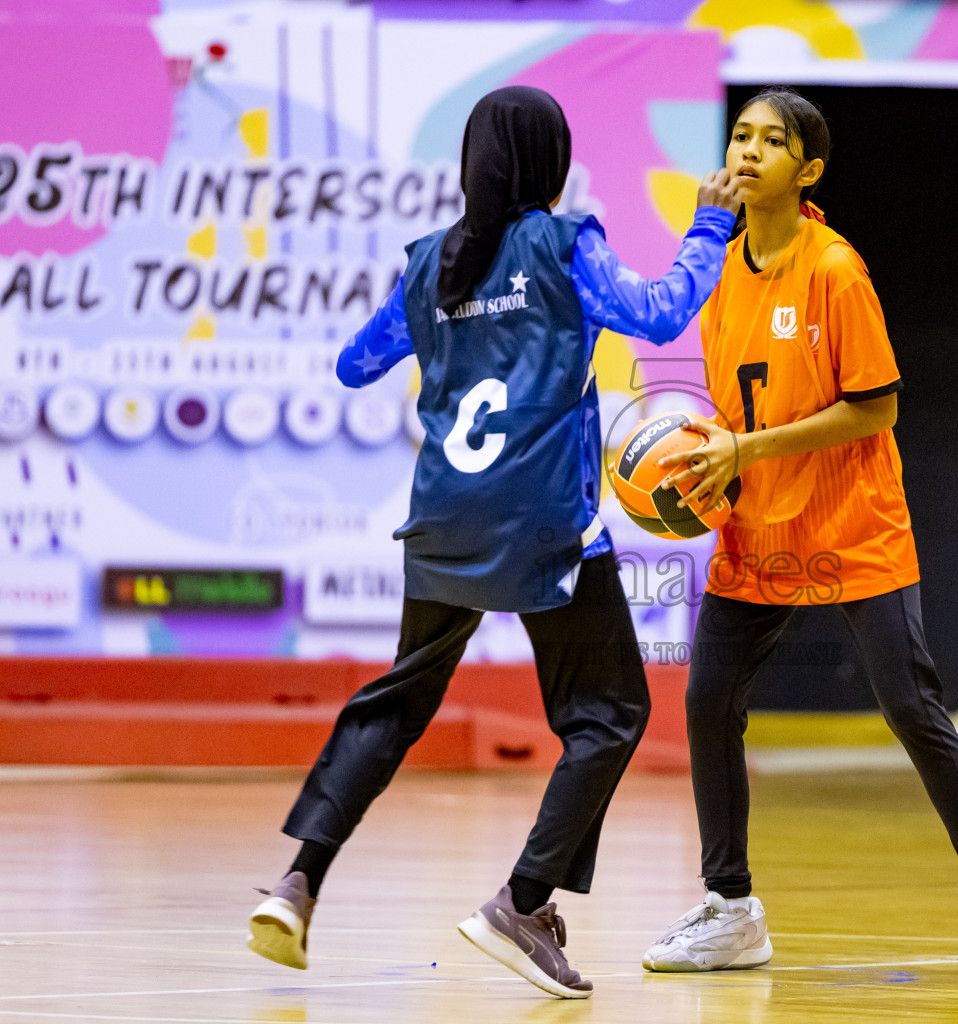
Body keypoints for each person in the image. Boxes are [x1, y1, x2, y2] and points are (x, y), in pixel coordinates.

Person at [246, 85, 742, 999]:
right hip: (544, 522)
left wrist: (447, 330)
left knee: (395, 706)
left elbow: (355, 365)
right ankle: (521, 901)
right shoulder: (564, 245)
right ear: (549, 163)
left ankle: (298, 883)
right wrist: (709, 227)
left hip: (442, 519)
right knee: (609, 717)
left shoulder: (431, 263)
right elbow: (664, 311)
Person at [639, 88, 958, 981]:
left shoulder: (835, 269)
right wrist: (709, 464)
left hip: (852, 524)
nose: (747, 153)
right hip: (754, 526)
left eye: (770, 142)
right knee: (708, 705)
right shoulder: (718, 268)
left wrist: (750, 444)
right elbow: (732, 402)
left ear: (808, 171)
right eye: (739, 136)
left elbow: (876, 408)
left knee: (909, 706)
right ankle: (731, 909)